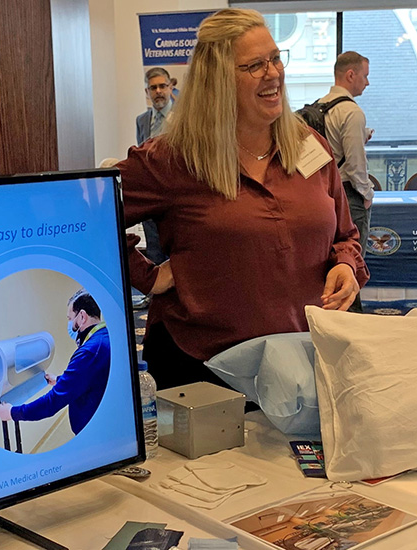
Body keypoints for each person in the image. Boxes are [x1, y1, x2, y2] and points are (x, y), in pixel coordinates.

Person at [118, 9, 368, 391]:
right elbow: (87, 212)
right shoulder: (173, 159)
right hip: (204, 370)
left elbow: (345, 235)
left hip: (302, 364)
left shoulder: (309, 147)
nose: (273, 74)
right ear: (216, 81)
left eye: (275, 59)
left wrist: (346, 267)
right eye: (254, 65)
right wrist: (147, 276)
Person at [0, 290, 110, 435]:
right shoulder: (105, 337)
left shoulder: (88, 352)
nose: (69, 324)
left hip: (94, 432)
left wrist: (13, 413)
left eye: (70, 318)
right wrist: (59, 380)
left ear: (82, 316)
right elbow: (91, 377)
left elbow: (52, 402)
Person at [318, 51, 373, 312]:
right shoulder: (352, 112)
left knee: (328, 260)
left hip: (321, 193)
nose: (367, 82)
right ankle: (352, 314)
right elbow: (355, 165)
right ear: (350, 75)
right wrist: (367, 194)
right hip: (348, 195)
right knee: (352, 261)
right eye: (365, 76)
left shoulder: (318, 107)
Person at [133, 67, 172, 286]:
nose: (158, 91)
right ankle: (153, 299)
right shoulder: (141, 120)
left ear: (171, 87)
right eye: (153, 87)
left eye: (162, 86)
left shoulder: (183, 118)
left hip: (174, 194)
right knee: (153, 248)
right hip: (150, 194)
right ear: (147, 91)